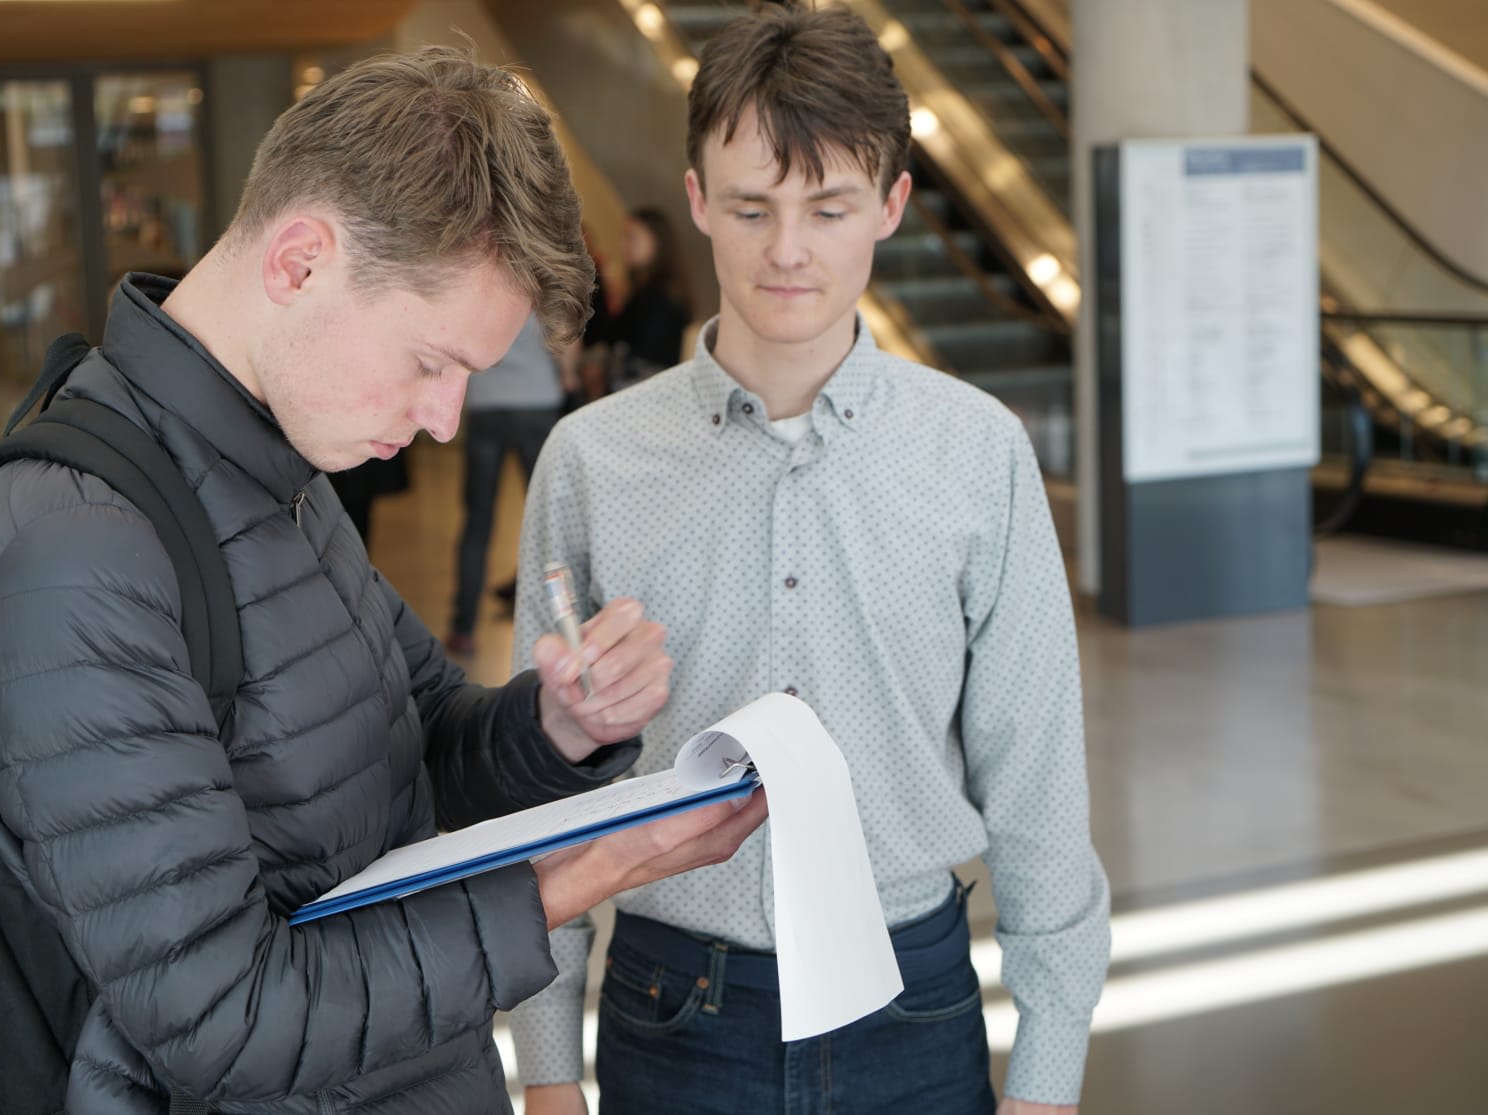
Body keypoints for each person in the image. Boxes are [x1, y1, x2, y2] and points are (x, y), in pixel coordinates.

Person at [0, 47, 767, 1114]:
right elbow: (224, 1022)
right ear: (301, 262)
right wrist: (584, 876)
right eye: (432, 361)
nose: (446, 418)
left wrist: (558, 726)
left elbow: (412, 742)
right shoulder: (74, 559)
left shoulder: (280, 458)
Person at [509, 5, 1109, 1114]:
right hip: (670, 1003)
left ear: (890, 204)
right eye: (751, 207)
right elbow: (541, 795)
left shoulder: (978, 451)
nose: (788, 249)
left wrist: (1050, 1072)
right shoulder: (592, 459)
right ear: (697, 199)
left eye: (829, 207)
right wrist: (547, 1067)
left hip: (914, 1000)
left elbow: (1036, 777)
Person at [446, 311, 567, 656]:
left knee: (477, 521)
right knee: (549, 520)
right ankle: (559, 630)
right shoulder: (544, 280)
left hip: (487, 403)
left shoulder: (477, 275)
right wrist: (570, 376)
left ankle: (463, 628)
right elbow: (565, 340)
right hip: (537, 402)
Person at [600, 206, 692, 393]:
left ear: (657, 242)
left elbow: (639, 352)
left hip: (643, 396)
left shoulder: (659, 298)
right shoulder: (645, 291)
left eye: (632, 237)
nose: (623, 245)